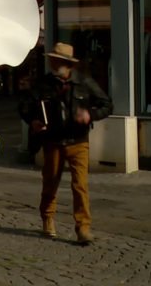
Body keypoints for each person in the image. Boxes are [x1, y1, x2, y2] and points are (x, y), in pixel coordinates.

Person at [19, 42, 112, 245]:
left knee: (80, 185)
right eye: (53, 60)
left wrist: (90, 114)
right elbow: (25, 106)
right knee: (50, 182)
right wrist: (33, 122)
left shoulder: (84, 83)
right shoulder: (44, 83)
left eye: (57, 61)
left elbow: (106, 104)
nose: (54, 64)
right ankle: (48, 218)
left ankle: (83, 227)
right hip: (52, 140)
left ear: (68, 64)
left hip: (78, 141)